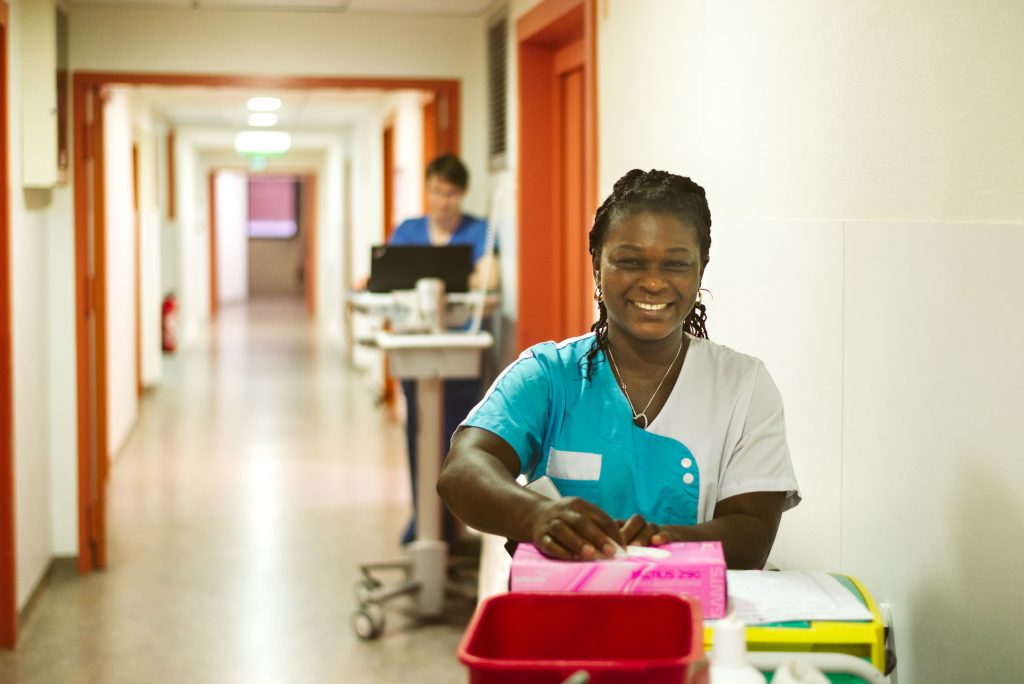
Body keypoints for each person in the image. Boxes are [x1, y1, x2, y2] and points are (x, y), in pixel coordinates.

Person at [437, 169, 800, 569]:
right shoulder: (548, 375)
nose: (653, 283)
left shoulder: (743, 386)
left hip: (693, 619)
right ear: (597, 266)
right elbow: (462, 471)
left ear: (700, 271)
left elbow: (752, 536)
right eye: (630, 261)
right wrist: (537, 516)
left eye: (676, 265)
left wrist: (658, 541)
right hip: (564, 615)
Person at [390, 154, 497, 546]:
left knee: (456, 438)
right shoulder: (408, 230)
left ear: (462, 193)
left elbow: (488, 278)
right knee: (418, 435)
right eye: (437, 190)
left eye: (451, 193)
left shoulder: (479, 231)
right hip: (415, 349)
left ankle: (452, 524)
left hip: (460, 351)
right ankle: (424, 519)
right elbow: (389, 281)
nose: (443, 200)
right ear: (427, 189)